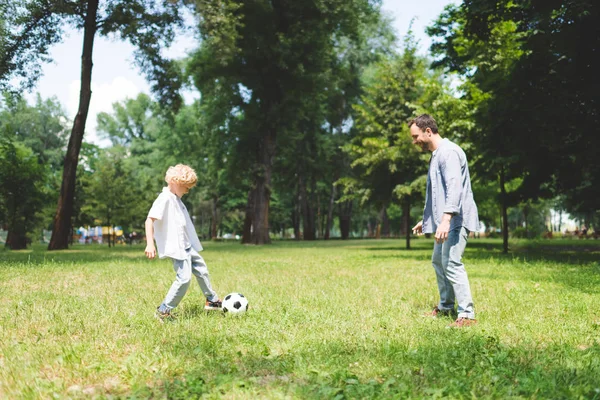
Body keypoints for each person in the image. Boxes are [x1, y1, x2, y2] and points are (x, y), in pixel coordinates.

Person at [409, 114, 479, 328]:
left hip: (456, 219)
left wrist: (446, 219)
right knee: (439, 261)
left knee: (451, 262)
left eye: (415, 136)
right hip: (447, 219)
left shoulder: (448, 152)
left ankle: (467, 315)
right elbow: (439, 192)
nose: (414, 142)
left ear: (428, 131)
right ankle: (446, 306)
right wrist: (427, 219)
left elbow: (454, 187)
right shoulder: (438, 154)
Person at [145, 164, 222, 321]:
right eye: (186, 187)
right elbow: (149, 220)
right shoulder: (164, 198)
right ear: (176, 182)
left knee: (202, 270)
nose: (187, 191)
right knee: (184, 278)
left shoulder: (176, 199)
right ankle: (163, 310)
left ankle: (212, 300)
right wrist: (150, 244)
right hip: (177, 248)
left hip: (187, 246)